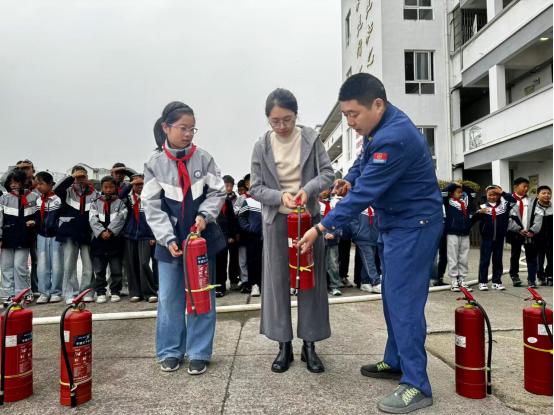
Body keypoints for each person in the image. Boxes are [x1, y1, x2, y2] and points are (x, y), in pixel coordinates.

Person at [298, 74, 443, 413]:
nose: (350, 122)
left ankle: (417, 385)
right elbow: (361, 165)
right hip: (395, 224)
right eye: (346, 115)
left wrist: (320, 227)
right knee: (392, 298)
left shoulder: (394, 137)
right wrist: (347, 179)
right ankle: (396, 361)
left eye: (354, 114)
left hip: (414, 226)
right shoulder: (378, 128)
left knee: (404, 304)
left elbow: (363, 196)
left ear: (377, 105)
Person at [250, 88, 334, 374]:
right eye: (275, 121)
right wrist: (279, 196)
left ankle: (310, 344)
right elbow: (256, 187)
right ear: (268, 119)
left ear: (296, 115)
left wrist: (307, 190)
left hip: (308, 220)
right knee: (277, 282)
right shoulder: (262, 145)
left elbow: (327, 174)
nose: (282, 126)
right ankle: (283, 344)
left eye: (287, 119)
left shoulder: (310, 138)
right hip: (277, 221)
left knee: (311, 280)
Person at [142, 101, 226, 375]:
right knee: (169, 298)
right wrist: (167, 237)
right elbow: (151, 205)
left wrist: (205, 216)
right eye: (183, 128)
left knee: (202, 295)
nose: (188, 134)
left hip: (201, 239)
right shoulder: (154, 164)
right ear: (166, 127)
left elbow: (218, 191)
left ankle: (199, 351)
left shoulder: (204, 158)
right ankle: (170, 351)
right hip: (170, 243)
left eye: (192, 129)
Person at [55, 166, 99, 304]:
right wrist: (71, 178)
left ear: (87, 177)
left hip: (87, 232)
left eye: (83, 176)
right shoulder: (67, 191)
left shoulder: (95, 193)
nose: (80, 179)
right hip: (69, 232)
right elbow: (57, 190)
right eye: (77, 176)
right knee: (69, 265)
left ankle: (87, 292)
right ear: (73, 177)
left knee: (88, 265)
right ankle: (71, 293)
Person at [119, 175, 159, 303]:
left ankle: (150, 292)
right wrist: (130, 184)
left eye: (142, 184)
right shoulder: (129, 198)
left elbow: (155, 217)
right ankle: (136, 292)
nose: (140, 187)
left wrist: (153, 235)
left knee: (144, 263)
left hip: (145, 235)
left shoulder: (150, 197)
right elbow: (120, 195)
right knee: (132, 264)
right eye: (137, 185)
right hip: (130, 234)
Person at [0, 170, 39, 303]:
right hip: (7, 237)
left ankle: (25, 292)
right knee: (6, 266)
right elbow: (0, 219)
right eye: (11, 182)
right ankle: (8, 294)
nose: (13, 185)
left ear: (23, 182)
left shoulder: (33, 197)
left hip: (25, 237)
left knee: (20, 266)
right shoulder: (4, 198)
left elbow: (38, 216)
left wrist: (34, 223)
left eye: (16, 182)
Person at [471, 186, 517, 291]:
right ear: (486, 195)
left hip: (499, 239)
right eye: (490, 195)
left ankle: (496, 281)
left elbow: (513, 201)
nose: (492, 197)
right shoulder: (482, 207)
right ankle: (482, 282)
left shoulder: (504, 207)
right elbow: (473, 220)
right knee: (484, 261)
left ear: (499, 195)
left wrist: (503, 192)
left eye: (495, 194)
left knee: (498, 260)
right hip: (486, 238)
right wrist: (479, 213)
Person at [507, 178, 544, 288]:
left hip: (530, 234)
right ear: (515, 187)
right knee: (515, 255)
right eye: (524, 186)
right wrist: (518, 229)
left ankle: (531, 280)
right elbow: (507, 219)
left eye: (528, 186)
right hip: (516, 233)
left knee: (532, 257)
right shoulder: (509, 202)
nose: (526, 189)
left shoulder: (533, 201)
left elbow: (539, 216)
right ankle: (514, 276)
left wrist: (533, 230)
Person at [34, 171, 64, 304]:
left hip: (56, 236)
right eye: (36, 184)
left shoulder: (58, 199)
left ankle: (56, 292)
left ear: (51, 184)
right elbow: (37, 218)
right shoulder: (38, 200)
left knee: (56, 264)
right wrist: (34, 223)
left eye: (41, 184)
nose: (38, 187)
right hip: (42, 235)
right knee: (42, 265)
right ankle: (44, 292)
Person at [441, 182, 477, 292]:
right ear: (451, 194)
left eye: (461, 192)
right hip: (452, 233)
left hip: (465, 233)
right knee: (453, 257)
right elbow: (444, 192)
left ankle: (462, 280)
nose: (461, 194)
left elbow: (473, 194)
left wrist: (462, 186)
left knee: (463, 257)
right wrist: (452, 184)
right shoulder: (447, 202)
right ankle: (454, 281)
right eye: (458, 192)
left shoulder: (465, 203)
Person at [343, 207, 382, 294]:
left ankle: (365, 282)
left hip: (373, 237)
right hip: (362, 238)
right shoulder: (359, 205)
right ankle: (376, 282)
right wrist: (357, 232)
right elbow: (351, 219)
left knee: (368, 260)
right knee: (369, 260)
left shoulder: (375, 206)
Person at [215, 175, 239, 298]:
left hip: (226, 234)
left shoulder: (228, 200)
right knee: (218, 261)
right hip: (216, 234)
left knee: (224, 261)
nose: (228, 188)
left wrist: (231, 235)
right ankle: (218, 286)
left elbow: (231, 219)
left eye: (230, 186)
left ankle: (222, 286)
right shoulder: (214, 198)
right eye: (226, 185)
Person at [237, 189, 263, 297]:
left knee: (264, 262)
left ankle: (263, 285)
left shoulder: (267, 202)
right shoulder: (248, 201)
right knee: (252, 262)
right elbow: (241, 216)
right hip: (253, 237)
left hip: (267, 237)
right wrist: (249, 229)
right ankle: (254, 285)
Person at [319, 188, 342, 296]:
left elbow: (340, 220)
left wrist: (335, 234)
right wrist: (323, 234)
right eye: (321, 190)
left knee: (333, 264)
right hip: (318, 239)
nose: (323, 192)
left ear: (329, 190)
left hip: (333, 239)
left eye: (325, 189)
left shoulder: (335, 203)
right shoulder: (315, 204)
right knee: (319, 264)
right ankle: (321, 286)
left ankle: (334, 286)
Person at [535, 186, 553, 286]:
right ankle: (540, 276)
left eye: (549, 193)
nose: (546, 195)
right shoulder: (534, 209)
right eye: (544, 193)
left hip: (551, 239)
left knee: (551, 259)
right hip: (538, 239)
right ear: (537, 195)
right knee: (539, 259)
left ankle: (550, 276)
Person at [235, 179, 249, 287]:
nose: (241, 193)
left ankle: (252, 281)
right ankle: (244, 280)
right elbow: (236, 216)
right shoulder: (239, 200)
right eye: (239, 190)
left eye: (242, 190)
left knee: (251, 259)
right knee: (242, 260)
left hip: (252, 234)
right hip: (242, 234)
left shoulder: (253, 198)